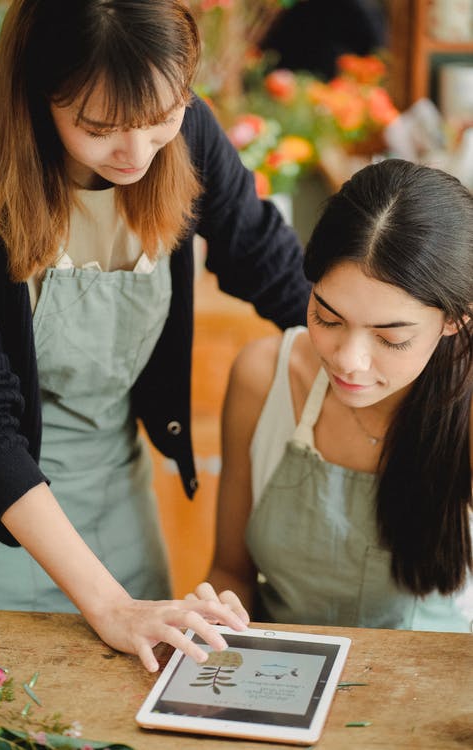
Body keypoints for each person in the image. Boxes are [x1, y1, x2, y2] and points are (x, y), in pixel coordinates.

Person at [0, 0, 310, 671]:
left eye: (162, 120)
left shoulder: (189, 137)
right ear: (38, 96)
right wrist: (106, 605)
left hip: (118, 488)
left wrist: (374, 355)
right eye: (100, 128)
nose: (136, 154)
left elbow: (271, 266)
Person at [194, 159, 473, 632]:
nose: (349, 360)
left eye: (390, 338)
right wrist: (215, 615)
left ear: (456, 320)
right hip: (278, 678)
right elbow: (230, 571)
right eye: (328, 318)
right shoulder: (264, 378)